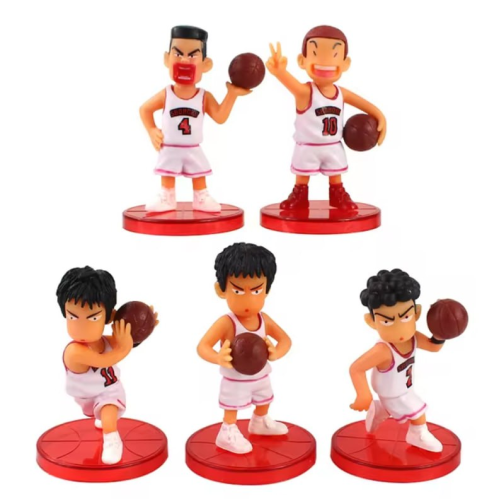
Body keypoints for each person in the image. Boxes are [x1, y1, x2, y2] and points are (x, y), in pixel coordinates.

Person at [267, 25, 386, 210]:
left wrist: (380, 116)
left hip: (333, 145)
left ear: (345, 63)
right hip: (308, 145)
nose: (325, 61)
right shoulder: (305, 92)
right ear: (302, 61)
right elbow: (290, 83)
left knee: (336, 177)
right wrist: (279, 72)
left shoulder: (341, 93)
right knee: (302, 178)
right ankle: (299, 197)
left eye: (335, 54)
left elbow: (366, 106)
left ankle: (338, 197)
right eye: (315, 53)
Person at [140, 25, 250, 213]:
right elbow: (144, 109)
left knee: (199, 174)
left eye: (192, 56)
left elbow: (220, 117)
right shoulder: (167, 94)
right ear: (167, 59)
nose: (184, 60)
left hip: (192, 147)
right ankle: (167, 197)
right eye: (178, 54)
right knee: (167, 174)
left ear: (206, 65)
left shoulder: (203, 96)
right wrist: (151, 130)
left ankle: (201, 198)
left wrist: (231, 95)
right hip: (170, 146)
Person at [197, 243, 292, 454]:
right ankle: (227, 431)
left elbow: (285, 340)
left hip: (261, 375)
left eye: (256, 290)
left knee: (264, 399)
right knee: (232, 406)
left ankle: (260, 422)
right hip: (235, 379)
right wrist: (218, 357)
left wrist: (276, 352)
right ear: (221, 290)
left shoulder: (264, 319)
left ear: (267, 290)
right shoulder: (226, 323)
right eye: (238, 290)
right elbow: (203, 347)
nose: (249, 299)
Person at [349, 269, 444, 452]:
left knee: (406, 404)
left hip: (405, 389)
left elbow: (434, 347)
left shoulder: (413, 338)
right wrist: (363, 395)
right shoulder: (383, 350)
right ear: (372, 322)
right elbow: (356, 368)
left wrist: (442, 332)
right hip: (393, 393)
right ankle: (417, 433)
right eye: (387, 321)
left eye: (406, 317)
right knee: (418, 411)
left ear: (416, 313)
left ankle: (380, 410)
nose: (400, 328)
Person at [57, 266, 133, 465]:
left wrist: (142, 328)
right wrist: (124, 348)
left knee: (108, 408)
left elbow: (124, 340)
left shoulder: (103, 341)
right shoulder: (74, 351)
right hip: (85, 396)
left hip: (107, 390)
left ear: (108, 317)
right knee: (103, 409)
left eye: (93, 318)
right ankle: (103, 419)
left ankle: (112, 439)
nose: (82, 327)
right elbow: (106, 360)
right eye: (73, 316)